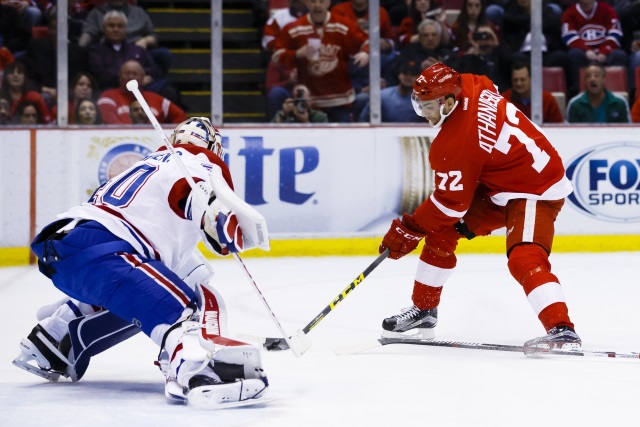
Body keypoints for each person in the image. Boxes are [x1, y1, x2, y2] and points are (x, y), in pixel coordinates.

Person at [12, 117, 271, 407]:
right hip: (107, 248)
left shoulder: (150, 162)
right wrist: (216, 216)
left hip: (69, 246)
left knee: (187, 272)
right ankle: (194, 370)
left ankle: (54, 337)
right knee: (179, 305)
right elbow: (191, 190)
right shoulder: (195, 159)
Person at [379, 62, 581, 351]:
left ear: (449, 102)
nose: (424, 114)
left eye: (428, 107)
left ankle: (562, 329)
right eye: (419, 105)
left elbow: (450, 206)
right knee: (442, 233)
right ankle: (424, 311)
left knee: (524, 258)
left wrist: (409, 228)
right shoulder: (472, 83)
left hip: (536, 189)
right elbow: (489, 98)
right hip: (504, 183)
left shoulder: (455, 144)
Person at [271, 0, 370, 122]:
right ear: (306, 3)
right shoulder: (294, 29)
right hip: (308, 102)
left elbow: (369, 41)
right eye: (313, 1)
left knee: (339, 140)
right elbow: (276, 56)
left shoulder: (343, 26)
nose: (317, 5)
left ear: (328, 3)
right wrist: (296, 54)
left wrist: (366, 53)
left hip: (340, 101)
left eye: (322, 1)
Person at [88, 10, 163, 92]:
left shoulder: (137, 49)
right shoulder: (96, 50)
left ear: (125, 28)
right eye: (111, 26)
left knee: (165, 88)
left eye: (120, 26)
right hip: (113, 90)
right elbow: (102, 75)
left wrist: (138, 78)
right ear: (104, 28)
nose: (116, 29)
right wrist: (134, 79)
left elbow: (155, 70)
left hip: (141, 89)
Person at [97, 60, 186, 124]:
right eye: (127, 73)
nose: (131, 77)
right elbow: (109, 122)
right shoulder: (108, 97)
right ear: (119, 76)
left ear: (143, 77)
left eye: (135, 74)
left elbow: (180, 116)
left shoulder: (156, 99)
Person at [358, 59, 424, 122]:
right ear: (399, 75)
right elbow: (364, 119)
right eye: (405, 72)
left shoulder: (423, 100)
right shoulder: (382, 96)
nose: (408, 77)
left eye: (412, 74)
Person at [565, 63, 631, 123]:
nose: (592, 79)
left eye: (596, 76)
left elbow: (627, 132)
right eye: (588, 76)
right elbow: (570, 133)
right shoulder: (575, 104)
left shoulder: (619, 102)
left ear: (604, 80)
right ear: (584, 81)